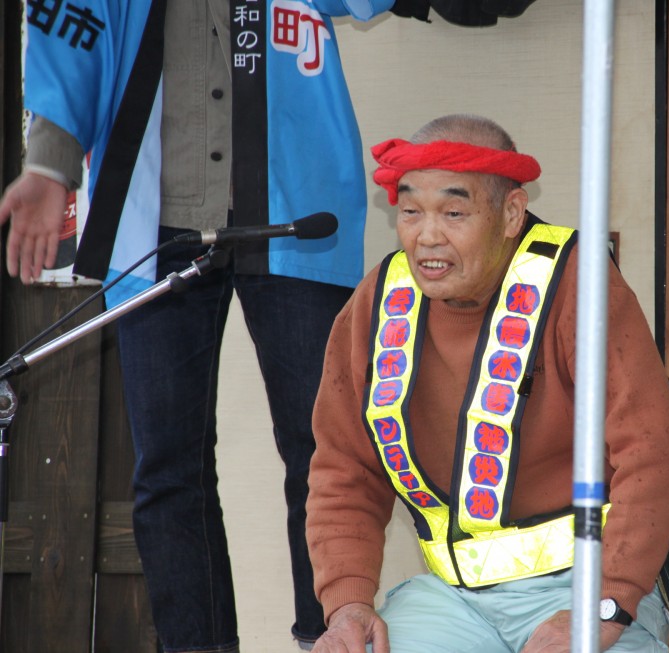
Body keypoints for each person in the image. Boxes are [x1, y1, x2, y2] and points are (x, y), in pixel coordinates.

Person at [1, 1, 394, 651]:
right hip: (156, 218)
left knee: (322, 448)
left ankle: (327, 637)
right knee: (168, 465)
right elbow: (72, 33)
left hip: (293, 204)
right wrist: (49, 164)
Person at [305, 114, 669, 653]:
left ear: (511, 213)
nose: (427, 236)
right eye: (411, 211)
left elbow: (652, 454)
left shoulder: (577, 283)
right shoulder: (377, 303)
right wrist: (347, 607)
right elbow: (344, 471)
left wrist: (607, 602)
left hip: (589, 584)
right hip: (452, 599)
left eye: (454, 212)